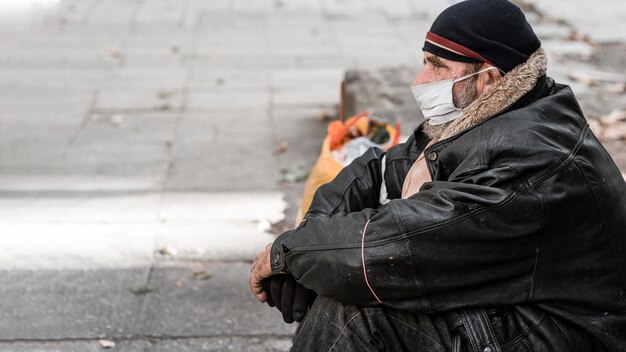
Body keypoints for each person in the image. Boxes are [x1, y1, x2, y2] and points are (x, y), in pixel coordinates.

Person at [249, 0, 626, 350]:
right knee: (336, 273)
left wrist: (289, 254)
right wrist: (306, 242)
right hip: (520, 306)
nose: (421, 78)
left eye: (437, 66)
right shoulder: (496, 114)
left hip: (562, 332)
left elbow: (391, 249)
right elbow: (379, 170)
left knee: (357, 312)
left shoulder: (529, 164)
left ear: (489, 79)